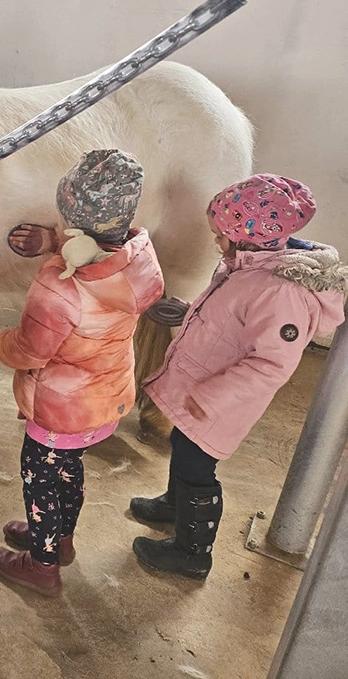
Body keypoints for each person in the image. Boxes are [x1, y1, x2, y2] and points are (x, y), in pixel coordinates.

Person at [131, 174, 347, 580]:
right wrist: (187, 312)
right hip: (198, 391)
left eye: (219, 234)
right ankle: (173, 507)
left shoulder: (282, 293)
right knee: (181, 444)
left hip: (218, 403)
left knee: (198, 469)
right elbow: (228, 315)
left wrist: (212, 397)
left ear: (246, 236)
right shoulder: (244, 265)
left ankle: (192, 553)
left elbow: (272, 364)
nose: (215, 242)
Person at [0, 149, 165, 595]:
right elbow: (101, 262)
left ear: (70, 216)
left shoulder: (59, 288)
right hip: (104, 398)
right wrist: (55, 243)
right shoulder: (140, 258)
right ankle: (60, 540)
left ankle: (43, 564)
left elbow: (30, 350)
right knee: (68, 470)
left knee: (40, 479)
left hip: (61, 408)